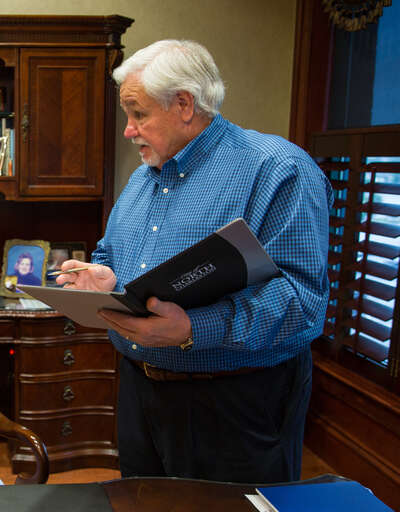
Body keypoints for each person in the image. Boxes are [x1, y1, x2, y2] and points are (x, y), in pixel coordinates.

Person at [57, 40, 333, 484]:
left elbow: (302, 304)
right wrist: (105, 277)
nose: (128, 130)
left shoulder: (278, 169)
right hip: (139, 389)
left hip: (232, 401)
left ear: (183, 104)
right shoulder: (143, 177)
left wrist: (192, 329)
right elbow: (111, 253)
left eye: (138, 113)